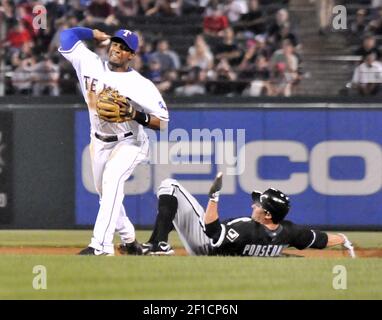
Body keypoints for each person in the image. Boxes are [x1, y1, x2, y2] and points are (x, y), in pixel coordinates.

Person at [59, 27, 170, 256]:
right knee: (105, 193)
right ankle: (130, 241)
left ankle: (101, 246)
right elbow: (67, 36)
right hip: (98, 141)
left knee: (111, 180)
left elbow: (163, 122)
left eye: (124, 48)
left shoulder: (141, 85)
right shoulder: (90, 63)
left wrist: (136, 115)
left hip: (131, 142)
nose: (117, 50)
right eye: (116, 45)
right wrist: (92, 33)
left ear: (132, 55)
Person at [141, 172, 356, 258]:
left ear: (268, 214)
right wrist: (344, 240)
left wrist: (214, 197)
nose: (254, 206)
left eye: (258, 205)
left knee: (170, 186)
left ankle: (159, 244)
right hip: (222, 253)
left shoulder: (245, 227)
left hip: (205, 245)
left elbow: (211, 230)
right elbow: (320, 240)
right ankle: (158, 239)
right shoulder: (289, 231)